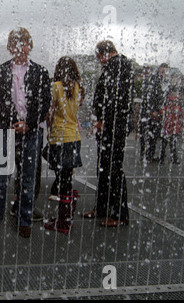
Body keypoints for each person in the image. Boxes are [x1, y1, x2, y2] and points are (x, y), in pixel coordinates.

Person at [0, 27, 51, 238]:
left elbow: (45, 102)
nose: (19, 48)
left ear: (29, 46)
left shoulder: (40, 72)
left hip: (32, 132)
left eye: (23, 43)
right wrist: (15, 122)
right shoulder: (1, 70)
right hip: (7, 129)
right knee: (1, 176)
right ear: (10, 47)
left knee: (27, 178)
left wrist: (29, 123)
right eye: (15, 44)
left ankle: (24, 219)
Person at [82, 40, 134, 227]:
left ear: (103, 54)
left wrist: (103, 120)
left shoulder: (117, 65)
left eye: (99, 58)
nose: (100, 62)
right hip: (111, 125)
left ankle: (119, 214)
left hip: (113, 126)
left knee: (112, 169)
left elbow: (114, 97)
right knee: (104, 167)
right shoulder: (117, 65)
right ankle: (102, 208)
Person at [43, 56, 85, 234]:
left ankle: (63, 222)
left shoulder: (56, 87)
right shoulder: (79, 88)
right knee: (66, 178)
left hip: (60, 138)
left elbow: (51, 113)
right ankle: (65, 218)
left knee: (63, 180)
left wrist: (49, 127)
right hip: (74, 137)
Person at [139, 63, 169, 162]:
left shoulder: (161, 80)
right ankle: (146, 156)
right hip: (149, 112)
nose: (164, 73)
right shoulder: (153, 79)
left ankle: (149, 155)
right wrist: (152, 110)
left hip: (154, 112)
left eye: (165, 72)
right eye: (163, 71)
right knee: (148, 134)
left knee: (153, 135)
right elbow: (149, 95)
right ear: (159, 69)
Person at [159, 88, 183, 164]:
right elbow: (161, 115)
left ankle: (173, 158)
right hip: (166, 129)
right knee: (164, 145)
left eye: (174, 101)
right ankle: (162, 158)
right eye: (171, 101)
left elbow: (180, 118)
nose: (172, 102)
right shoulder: (166, 108)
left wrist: (180, 127)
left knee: (172, 145)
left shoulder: (177, 108)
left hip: (172, 129)